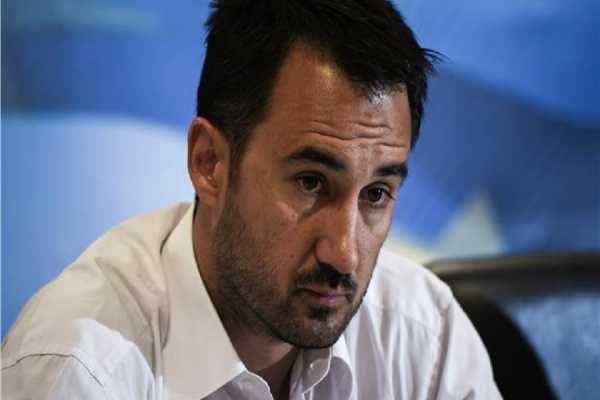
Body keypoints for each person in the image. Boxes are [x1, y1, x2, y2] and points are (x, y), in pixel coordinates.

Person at [2, 1, 501, 399]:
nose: (345, 254)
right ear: (210, 163)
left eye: (376, 195)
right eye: (310, 183)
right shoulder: (78, 373)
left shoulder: (425, 335)